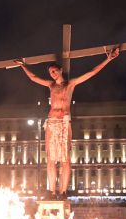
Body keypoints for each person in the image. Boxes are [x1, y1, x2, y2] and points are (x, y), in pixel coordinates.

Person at [15, 48, 119, 200]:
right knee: (50, 159)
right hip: (51, 122)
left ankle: (63, 192)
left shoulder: (70, 84)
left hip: (64, 122)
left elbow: (91, 72)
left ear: (61, 70)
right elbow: (34, 78)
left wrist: (108, 59)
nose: (52, 74)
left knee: (65, 159)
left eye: (54, 71)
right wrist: (22, 66)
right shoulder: (51, 85)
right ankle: (51, 192)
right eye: (50, 72)